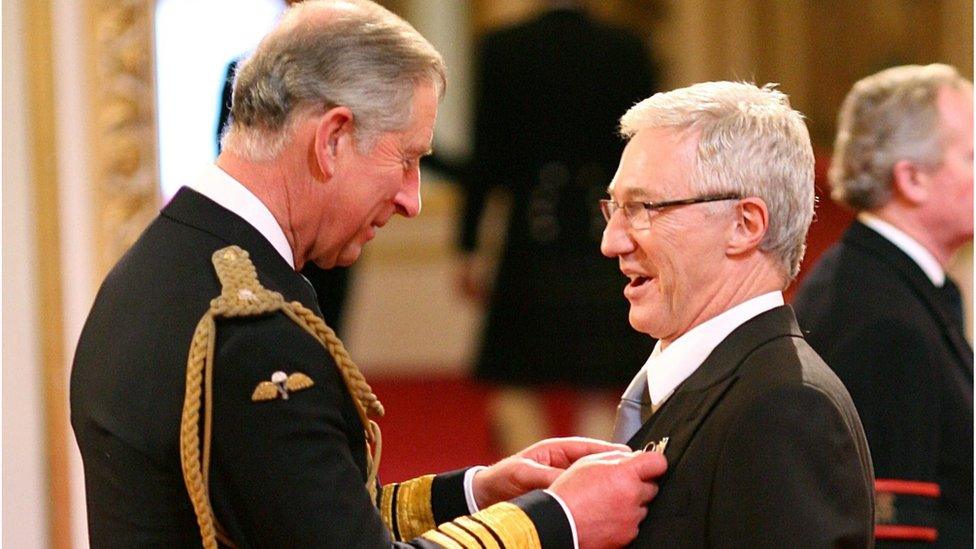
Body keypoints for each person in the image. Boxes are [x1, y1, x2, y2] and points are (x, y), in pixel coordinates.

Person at [70, 1, 667, 547]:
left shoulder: (175, 260)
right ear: (332, 139)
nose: (411, 198)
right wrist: (556, 521)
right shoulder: (253, 330)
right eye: (405, 159)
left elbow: (305, 515)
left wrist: (478, 492)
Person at [600, 81, 876, 546]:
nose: (613, 242)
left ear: (745, 225)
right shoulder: (721, 385)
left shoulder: (783, 409)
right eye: (614, 209)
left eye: (644, 208)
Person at [457, 0, 658, 454]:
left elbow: (485, 157)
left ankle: (529, 496)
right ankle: (593, 489)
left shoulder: (502, 49)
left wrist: (468, 246)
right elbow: (645, 160)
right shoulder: (628, 49)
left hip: (529, 239)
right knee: (602, 379)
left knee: (515, 377)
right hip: (606, 237)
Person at [793, 64, 973, 547]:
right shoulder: (883, 321)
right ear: (912, 178)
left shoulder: (891, 281)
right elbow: (896, 532)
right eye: (972, 156)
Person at [217, 0, 355, 337]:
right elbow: (226, 150)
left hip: (334, 223)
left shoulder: (351, 80)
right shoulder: (243, 70)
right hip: (269, 227)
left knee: (328, 330)